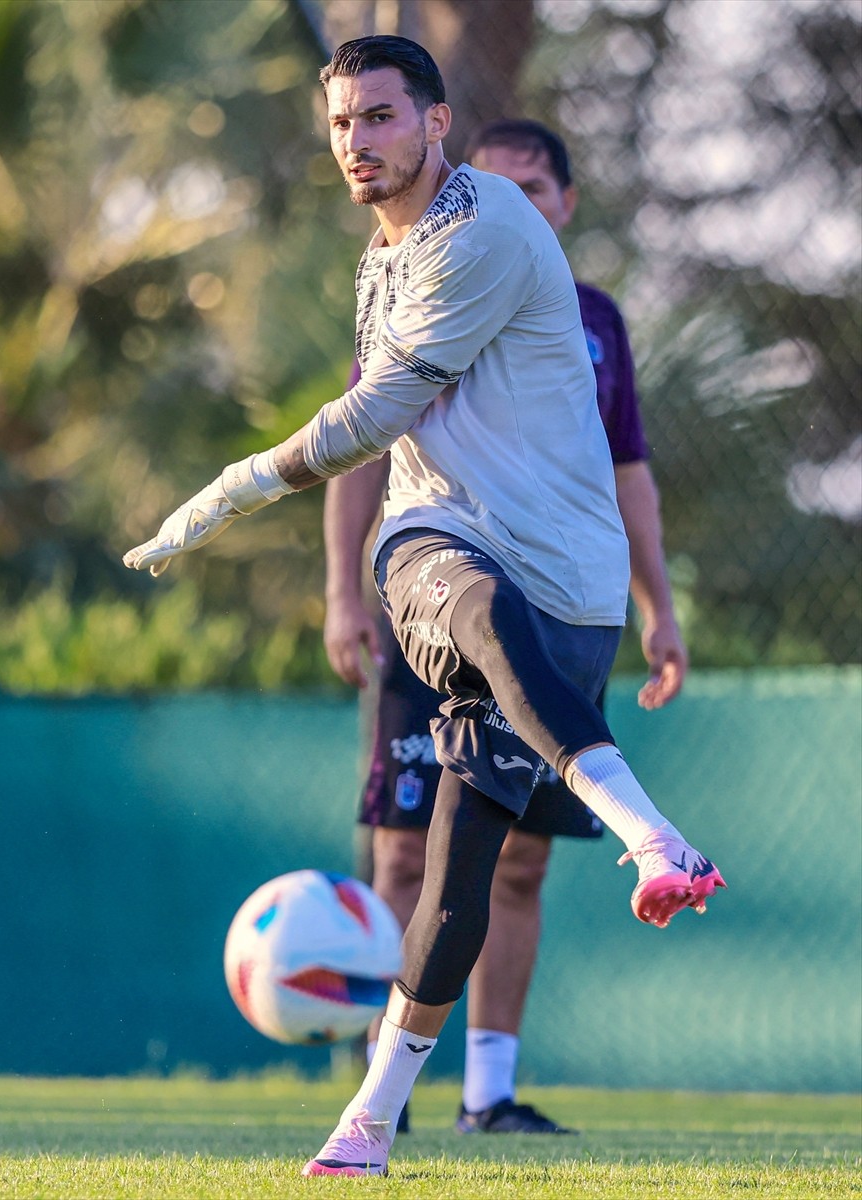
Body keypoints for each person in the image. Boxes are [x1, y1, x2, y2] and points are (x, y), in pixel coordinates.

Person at [123, 36, 726, 1178]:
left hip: (576, 589)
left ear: (436, 122)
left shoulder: (488, 228)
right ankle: (653, 836)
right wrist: (339, 575)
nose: (358, 142)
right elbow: (382, 446)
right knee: (474, 610)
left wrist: (223, 493)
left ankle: (366, 1121)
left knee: (461, 874)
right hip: (436, 542)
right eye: (344, 122)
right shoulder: (381, 258)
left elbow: (370, 412)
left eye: (382, 118)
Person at [322, 116, 689, 1138]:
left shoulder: (596, 322)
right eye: (495, 182)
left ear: (564, 205)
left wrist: (659, 611)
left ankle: (482, 1095)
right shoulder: (417, 283)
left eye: (535, 186)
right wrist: (344, 593)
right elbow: (356, 436)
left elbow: (628, 476)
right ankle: (380, 1094)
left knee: (510, 858)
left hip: (559, 604)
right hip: (441, 596)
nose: (511, 201)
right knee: (405, 856)